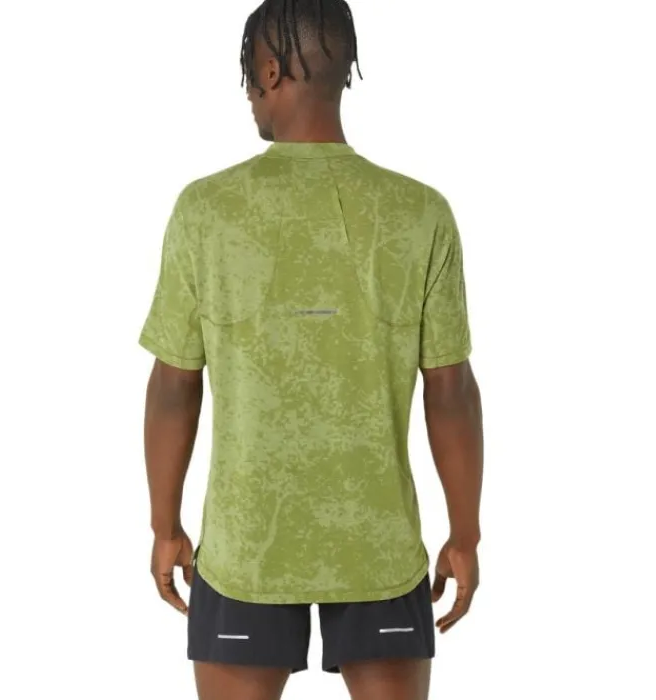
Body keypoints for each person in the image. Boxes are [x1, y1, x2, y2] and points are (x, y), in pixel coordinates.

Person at [139, 1, 483, 698]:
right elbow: (451, 390)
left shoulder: (205, 210)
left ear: (269, 70)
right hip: (380, 547)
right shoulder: (420, 212)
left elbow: (175, 385)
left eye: (247, 74)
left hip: (245, 551)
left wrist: (164, 524)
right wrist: (465, 534)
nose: (248, 93)